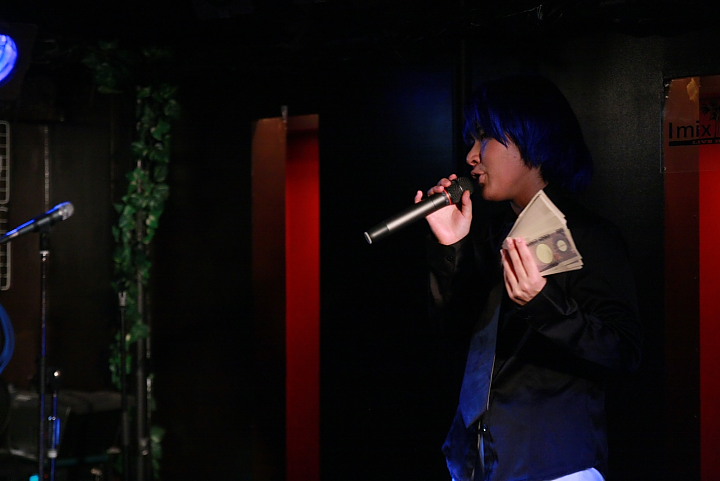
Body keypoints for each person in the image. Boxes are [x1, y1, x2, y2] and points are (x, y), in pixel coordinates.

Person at [414, 75, 642, 481]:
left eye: (485, 136)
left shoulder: (590, 235)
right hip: (478, 462)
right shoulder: (492, 233)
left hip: (555, 465)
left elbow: (623, 352)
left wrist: (545, 306)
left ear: (529, 136)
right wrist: (451, 247)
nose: (472, 156)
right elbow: (455, 337)